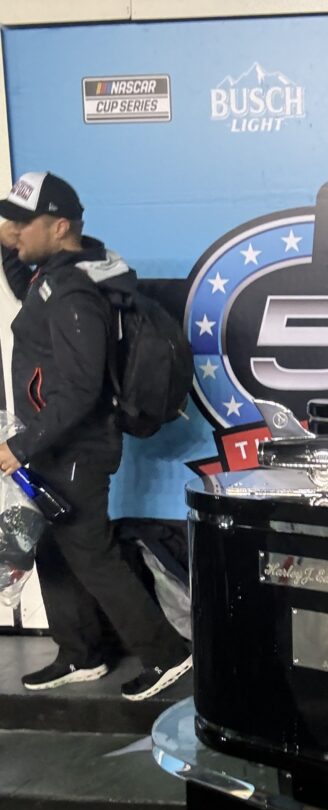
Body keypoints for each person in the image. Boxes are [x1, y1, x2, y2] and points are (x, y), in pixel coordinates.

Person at [0, 171, 191, 701]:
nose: (12, 230)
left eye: (22, 220)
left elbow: (83, 391)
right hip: (51, 443)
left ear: (59, 225)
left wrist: (17, 446)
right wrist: (11, 235)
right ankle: (81, 654)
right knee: (53, 551)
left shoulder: (74, 291)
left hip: (77, 447)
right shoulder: (54, 274)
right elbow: (22, 277)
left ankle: (167, 654)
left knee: (91, 553)